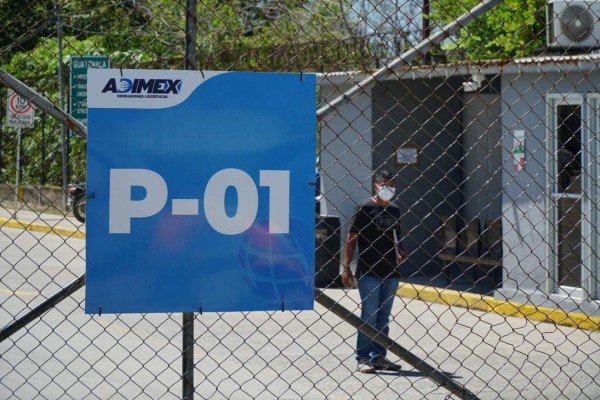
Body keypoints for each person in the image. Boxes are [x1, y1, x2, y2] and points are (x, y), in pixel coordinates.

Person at [342, 169, 407, 373]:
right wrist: (346, 268)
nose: (389, 188)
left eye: (392, 185)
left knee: (383, 317)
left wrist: (401, 252)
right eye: (385, 184)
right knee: (369, 315)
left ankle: (378, 356)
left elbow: (396, 238)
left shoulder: (395, 210)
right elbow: (352, 238)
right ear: (376, 185)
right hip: (368, 270)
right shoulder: (364, 208)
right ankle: (363, 357)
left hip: (390, 271)